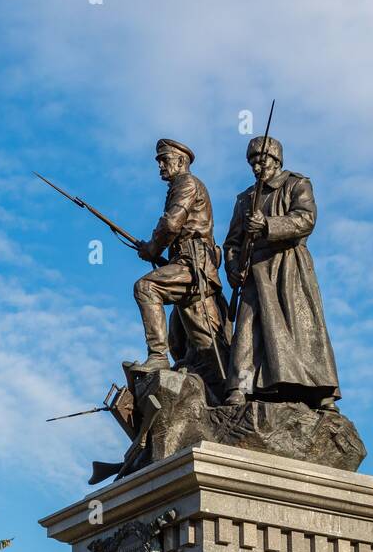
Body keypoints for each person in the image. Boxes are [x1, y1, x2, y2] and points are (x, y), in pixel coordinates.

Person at [223, 135, 341, 409]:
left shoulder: (297, 184)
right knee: (248, 329)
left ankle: (320, 390)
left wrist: (267, 224)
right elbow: (231, 242)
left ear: (276, 159)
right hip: (255, 270)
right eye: (252, 161)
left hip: (289, 266)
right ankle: (240, 387)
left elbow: (305, 219)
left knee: (303, 328)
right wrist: (232, 268)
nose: (256, 166)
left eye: (261, 159)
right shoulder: (244, 199)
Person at [133, 139, 229, 386]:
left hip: (193, 266)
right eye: (160, 161)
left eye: (165, 160)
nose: (161, 166)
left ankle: (157, 356)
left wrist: (153, 248)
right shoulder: (182, 185)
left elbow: (171, 224)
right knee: (196, 348)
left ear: (181, 161)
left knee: (146, 287)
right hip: (188, 265)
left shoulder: (186, 183)